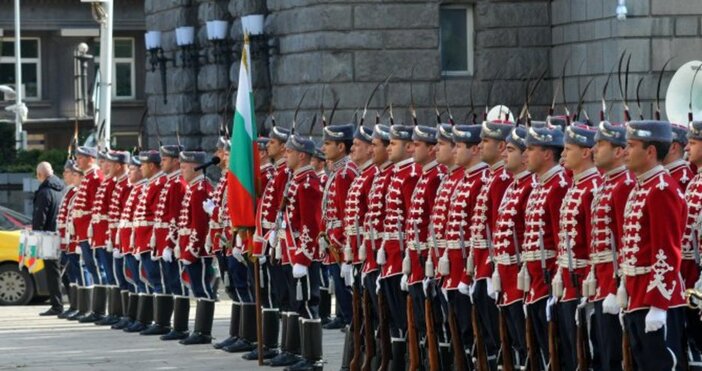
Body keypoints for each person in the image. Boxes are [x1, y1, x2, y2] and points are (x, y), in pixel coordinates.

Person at [621, 120, 687, 369]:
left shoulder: (661, 189)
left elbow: (667, 250)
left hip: (658, 298)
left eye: (631, 145)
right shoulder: (642, 187)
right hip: (638, 295)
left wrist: (659, 304)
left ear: (650, 152)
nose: (625, 151)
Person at [521, 125, 570, 368]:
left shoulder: (558, 185)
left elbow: (562, 240)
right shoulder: (541, 185)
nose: (524, 155)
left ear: (547, 154)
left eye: (530, 149)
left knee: (558, 352)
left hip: (549, 279)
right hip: (535, 281)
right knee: (541, 351)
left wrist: (555, 283)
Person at [468, 119, 514, 369]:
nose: (481, 145)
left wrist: (489, 269)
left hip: (497, 267)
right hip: (482, 265)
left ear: (501, 147)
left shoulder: (502, 179)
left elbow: (499, 232)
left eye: (486, 141)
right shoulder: (493, 177)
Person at [590, 121, 634, 370]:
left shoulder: (623, 185)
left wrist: (616, 287)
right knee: (602, 354)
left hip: (615, 287)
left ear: (618, 151)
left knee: (616, 357)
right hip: (600, 283)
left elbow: (626, 244)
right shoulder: (608, 183)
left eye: (601, 144)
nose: (595, 149)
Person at [492, 126, 537, 368]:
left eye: (510, 150)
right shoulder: (514, 186)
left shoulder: (529, 187)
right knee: (515, 344)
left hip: (522, 278)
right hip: (506, 277)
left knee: (528, 343)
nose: (504, 155)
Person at [177, 151, 216, 345]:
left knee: (203, 289)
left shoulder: (200, 188)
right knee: (197, 288)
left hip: (198, 250)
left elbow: (200, 226)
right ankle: (199, 330)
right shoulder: (194, 187)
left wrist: (191, 250)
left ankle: (203, 331)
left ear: (194, 167)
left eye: (184, 167)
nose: (181, 171)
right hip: (190, 247)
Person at [70, 146, 105, 321]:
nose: (77, 161)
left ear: (91, 158)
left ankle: (99, 310)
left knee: (97, 268)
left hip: (90, 231)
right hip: (83, 230)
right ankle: (94, 309)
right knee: (92, 268)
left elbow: (95, 207)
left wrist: (91, 229)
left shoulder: (96, 177)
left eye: (80, 158)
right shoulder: (89, 177)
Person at [34, 161, 66, 316]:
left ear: (40, 175)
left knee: (52, 273)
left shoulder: (44, 192)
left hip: (47, 237)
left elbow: (40, 217)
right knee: (64, 272)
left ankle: (57, 306)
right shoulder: (62, 189)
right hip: (61, 235)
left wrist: (35, 237)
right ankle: (75, 304)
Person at [56, 160, 83, 319]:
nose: (65, 175)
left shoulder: (78, 192)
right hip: (67, 241)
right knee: (72, 276)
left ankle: (80, 306)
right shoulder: (70, 191)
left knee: (78, 275)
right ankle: (74, 304)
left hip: (74, 242)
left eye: (68, 172)